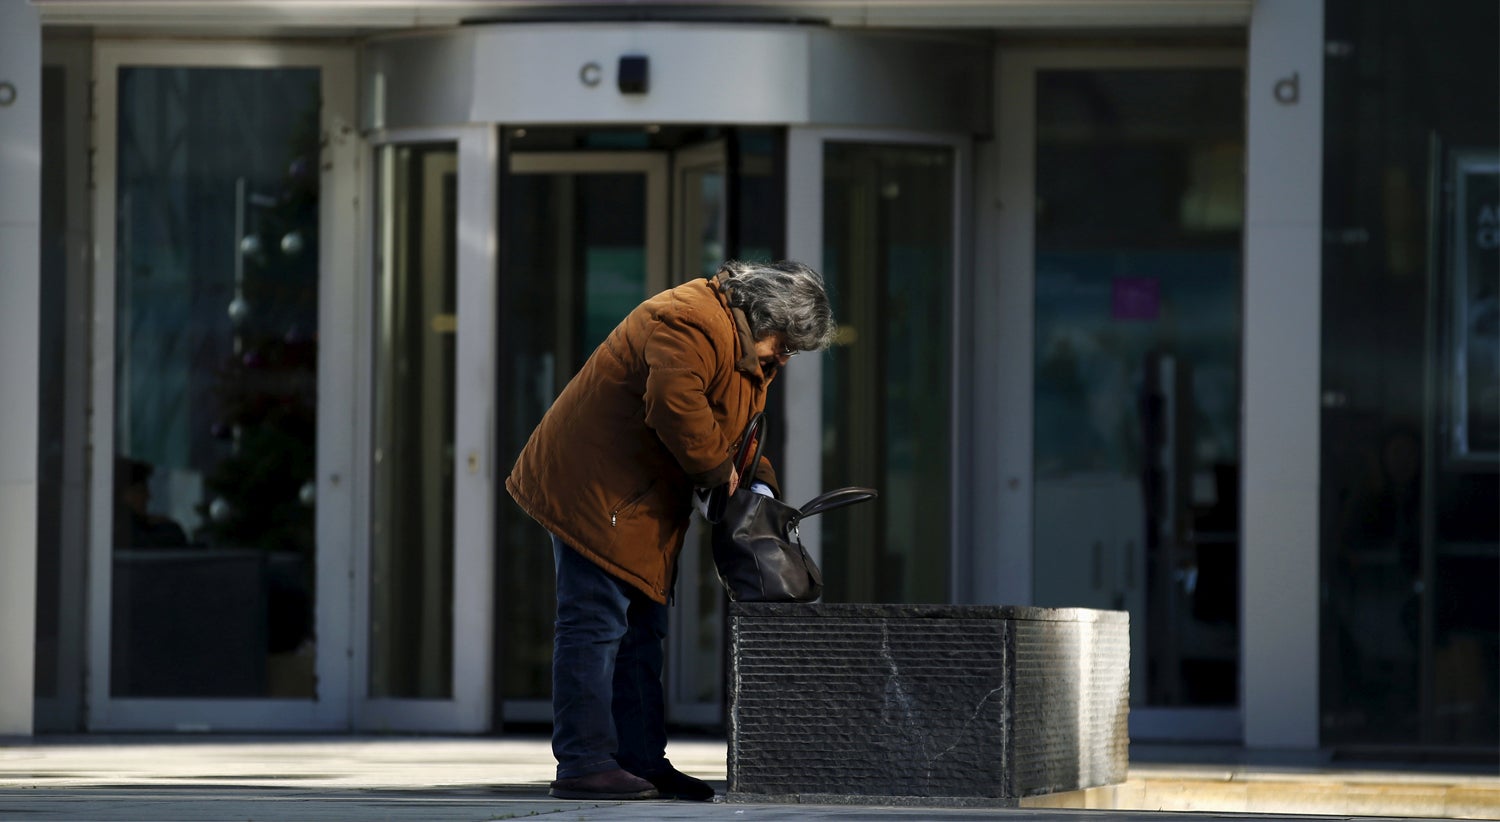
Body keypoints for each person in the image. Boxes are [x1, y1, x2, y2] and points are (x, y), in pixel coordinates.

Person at [506, 260, 836, 801]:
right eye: (789, 343)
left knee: (641, 632)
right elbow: (675, 406)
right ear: (767, 315)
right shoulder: (691, 320)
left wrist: (762, 490)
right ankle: (584, 763)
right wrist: (719, 475)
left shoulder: (739, 343)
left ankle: (639, 760)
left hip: (635, 501)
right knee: (595, 625)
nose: (786, 356)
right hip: (595, 493)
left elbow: (734, 432)